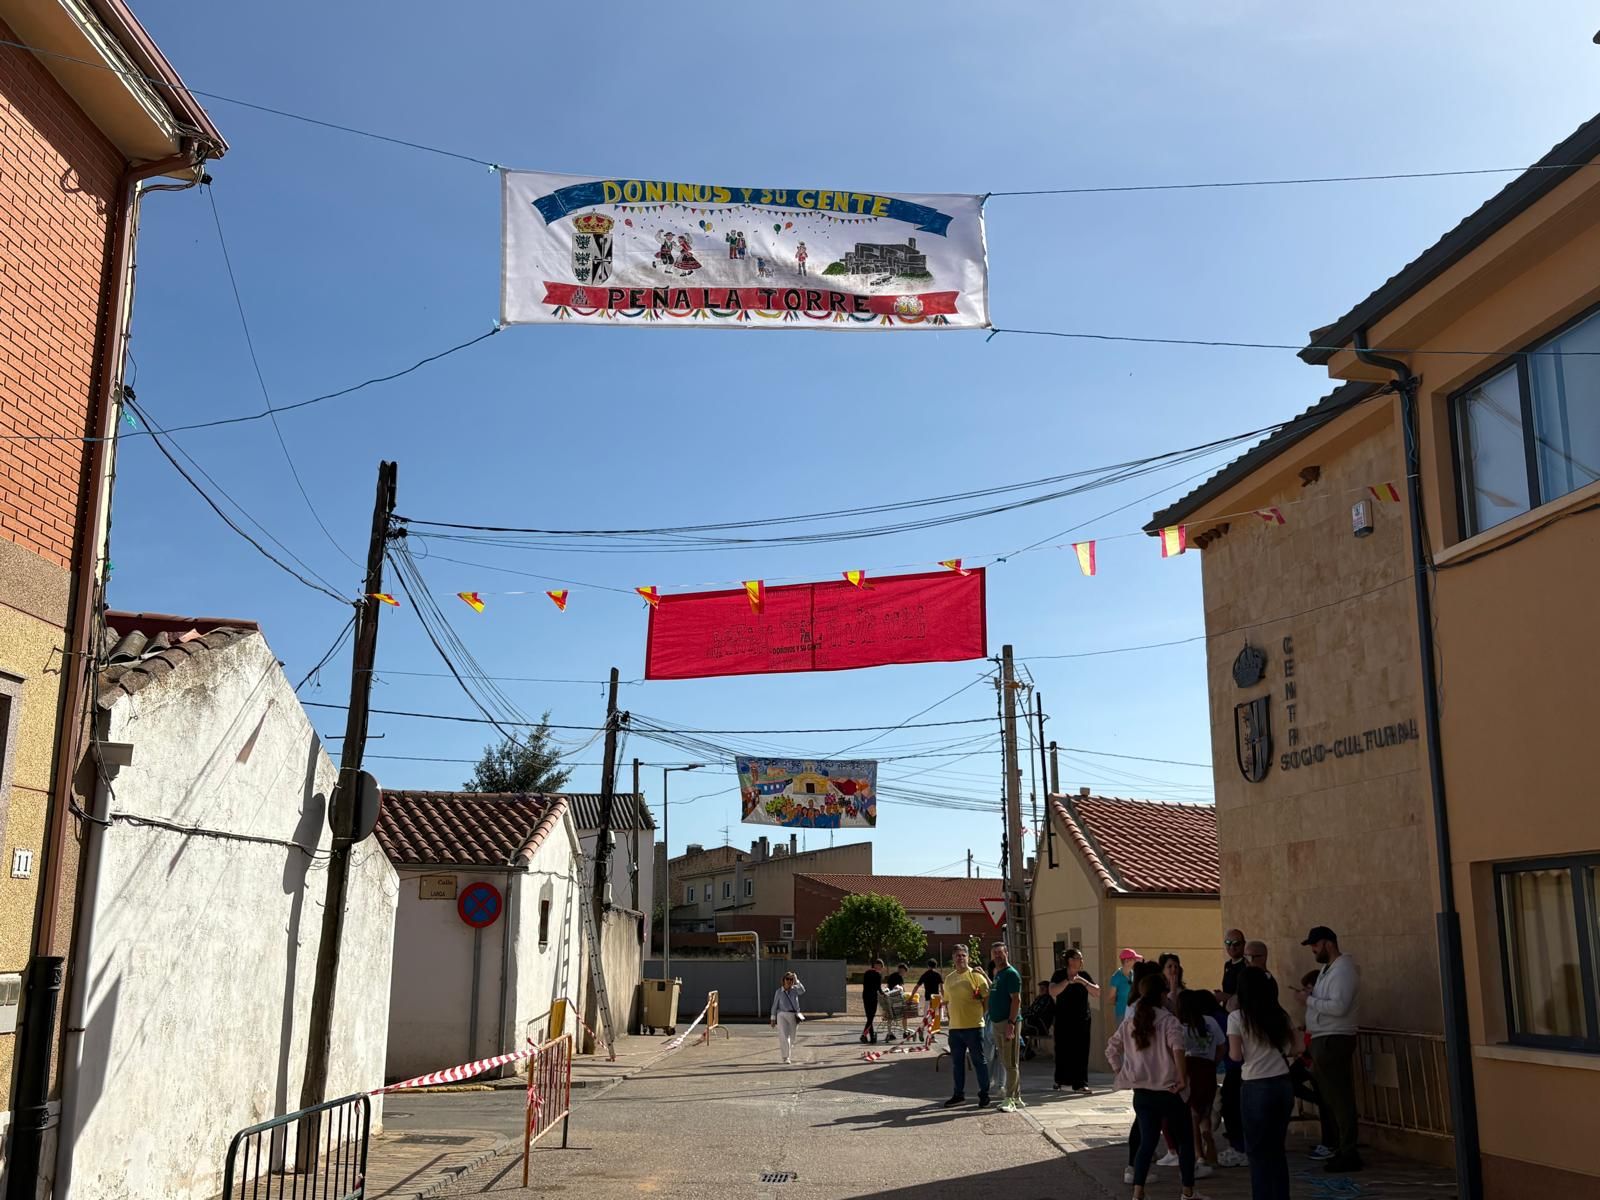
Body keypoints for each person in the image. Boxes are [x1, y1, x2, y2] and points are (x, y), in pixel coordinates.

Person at [1106, 973, 1201, 1199]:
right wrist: (1182, 1077)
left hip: (1142, 1092)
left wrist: (1120, 1070)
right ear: (1162, 994)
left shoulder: (1131, 1022)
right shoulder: (1169, 1021)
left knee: (1147, 1142)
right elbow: (1178, 1049)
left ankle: (1138, 1191)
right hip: (1169, 1090)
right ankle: (1187, 1192)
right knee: (1185, 1141)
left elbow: (1111, 1048)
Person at [1292, 926, 1361, 1173]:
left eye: (1315, 945)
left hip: (1334, 1038)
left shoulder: (1343, 970)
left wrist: (1308, 1000)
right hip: (1323, 1038)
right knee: (1331, 1096)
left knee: (1339, 1097)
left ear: (1328, 943)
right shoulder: (1327, 970)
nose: (1313, 950)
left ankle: (1348, 1150)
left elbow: (1339, 1006)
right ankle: (1341, 1148)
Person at [1228, 966, 1296, 1200]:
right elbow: (1298, 1047)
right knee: (1277, 1150)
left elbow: (1235, 1056)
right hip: (1282, 1083)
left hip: (1255, 1084)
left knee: (1257, 1152)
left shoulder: (1237, 1017)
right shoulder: (1281, 1014)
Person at [1178, 990, 1225, 1178]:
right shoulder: (1210, 1022)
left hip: (1190, 1070)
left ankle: (1199, 1155)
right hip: (1208, 1069)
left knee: (1192, 1115)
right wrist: (1214, 1062)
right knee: (1204, 1110)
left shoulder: (1180, 1027)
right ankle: (1209, 1139)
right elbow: (1222, 1046)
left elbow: (1178, 1052)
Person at [940, 943, 990, 1109]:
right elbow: (946, 1000)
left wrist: (982, 1015)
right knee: (957, 1063)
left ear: (968, 957)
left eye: (963, 955)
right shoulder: (949, 978)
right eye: (957, 955)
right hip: (955, 1028)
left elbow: (986, 996)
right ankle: (958, 1095)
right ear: (953, 958)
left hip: (974, 1027)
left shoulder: (976, 976)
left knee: (979, 1062)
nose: (960, 958)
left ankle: (984, 1094)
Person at [1216, 929, 1249, 1169]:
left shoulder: (1245, 970)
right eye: (1228, 943)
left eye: (1236, 943)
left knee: (1233, 1097)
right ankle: (1238, 1143)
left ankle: (1241, 1145)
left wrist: (1227, 997)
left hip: (1244, 1047)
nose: (1232, 947)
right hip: (1231, 1028)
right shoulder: (1229, 966)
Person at [1048, 948, 1098, 1093]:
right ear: (1070, 960)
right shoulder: (1059, 974)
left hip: (1082, 1019)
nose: (1081, 961)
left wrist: (1082, 981)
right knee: (1063, 1049)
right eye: (1078, 958)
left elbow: (1097, 992)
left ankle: (1081, 1083)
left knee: (1081, 1051)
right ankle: (1060, 1080)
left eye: (1081, 958)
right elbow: (1052, 991)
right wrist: (1067, 982)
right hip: (1063, 1019)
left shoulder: (1084, 975)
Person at [987, 942, 1024, 1111]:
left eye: (1000, 953)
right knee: (1006, 1061)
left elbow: (1016, 1000)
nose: (997, 956)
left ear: (1007, 953)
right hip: (997, 1023)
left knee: (1010, 1063)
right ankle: (1016, 1097)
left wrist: (1011, 1023)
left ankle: (1009, 1099)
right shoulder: (998, 974)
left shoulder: (1011, 974)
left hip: (1007, 1023)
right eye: (995, 953)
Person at [769, 971, 805, 1064]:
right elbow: (774, 1005)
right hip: (782, 1015)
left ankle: (788, 1049)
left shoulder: (795, 989)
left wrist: (797, 980)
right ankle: (786, 1057)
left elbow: (802, 990)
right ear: (783, 980)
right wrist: (773, 1018)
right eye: (787, 979)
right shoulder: (779, 992)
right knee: (784, 1036)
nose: (789, 981)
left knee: (792, 1038)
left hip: (793, 1015)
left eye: (791, 979)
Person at [1022, 982, 1054, 1058]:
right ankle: (1027, 1051)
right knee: (1019, 1029)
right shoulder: (1038, 999)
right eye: (1040, 988)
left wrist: (1026, 1016)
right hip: (1034, 1024)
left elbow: (1038, 1013)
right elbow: (1031, 1010)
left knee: (1021, 1031)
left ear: (1048, 989)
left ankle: (1026, 1052)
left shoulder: (1048, 1000)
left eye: (1043, 988)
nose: (1041, 990)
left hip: (1041, 1027)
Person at [1110, 948, 1140, 1025]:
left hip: (1134, 1013)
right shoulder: (1116, 977)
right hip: (1122, 1014)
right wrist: (1121, 1005)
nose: (1135, 961)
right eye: (1134, 959)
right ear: (1126, 961)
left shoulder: (1134, 974)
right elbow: (1111, 997)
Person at [860, 958, 884, 1044]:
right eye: (881, 967)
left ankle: (872, 1036)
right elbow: (879, 988)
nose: (880, 968)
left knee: (869, 1017)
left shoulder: (866, 972)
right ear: (880, 966)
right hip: (873, 997)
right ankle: (864, 1035)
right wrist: (884, 994)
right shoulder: (878, 974)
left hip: (865, 995)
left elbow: (864, 984)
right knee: (871, 1017)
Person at [884, 961, 908, 1041]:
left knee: (890, 1016)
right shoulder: (899, 977)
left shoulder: (891, 976)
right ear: (903, 970)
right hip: (897, 1001)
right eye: (904, 972)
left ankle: (889, 1032)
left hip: (890, 1000)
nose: (904, 973)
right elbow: (902, 989)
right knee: (904, 1014)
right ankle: (905, 1031)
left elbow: (887, 987)